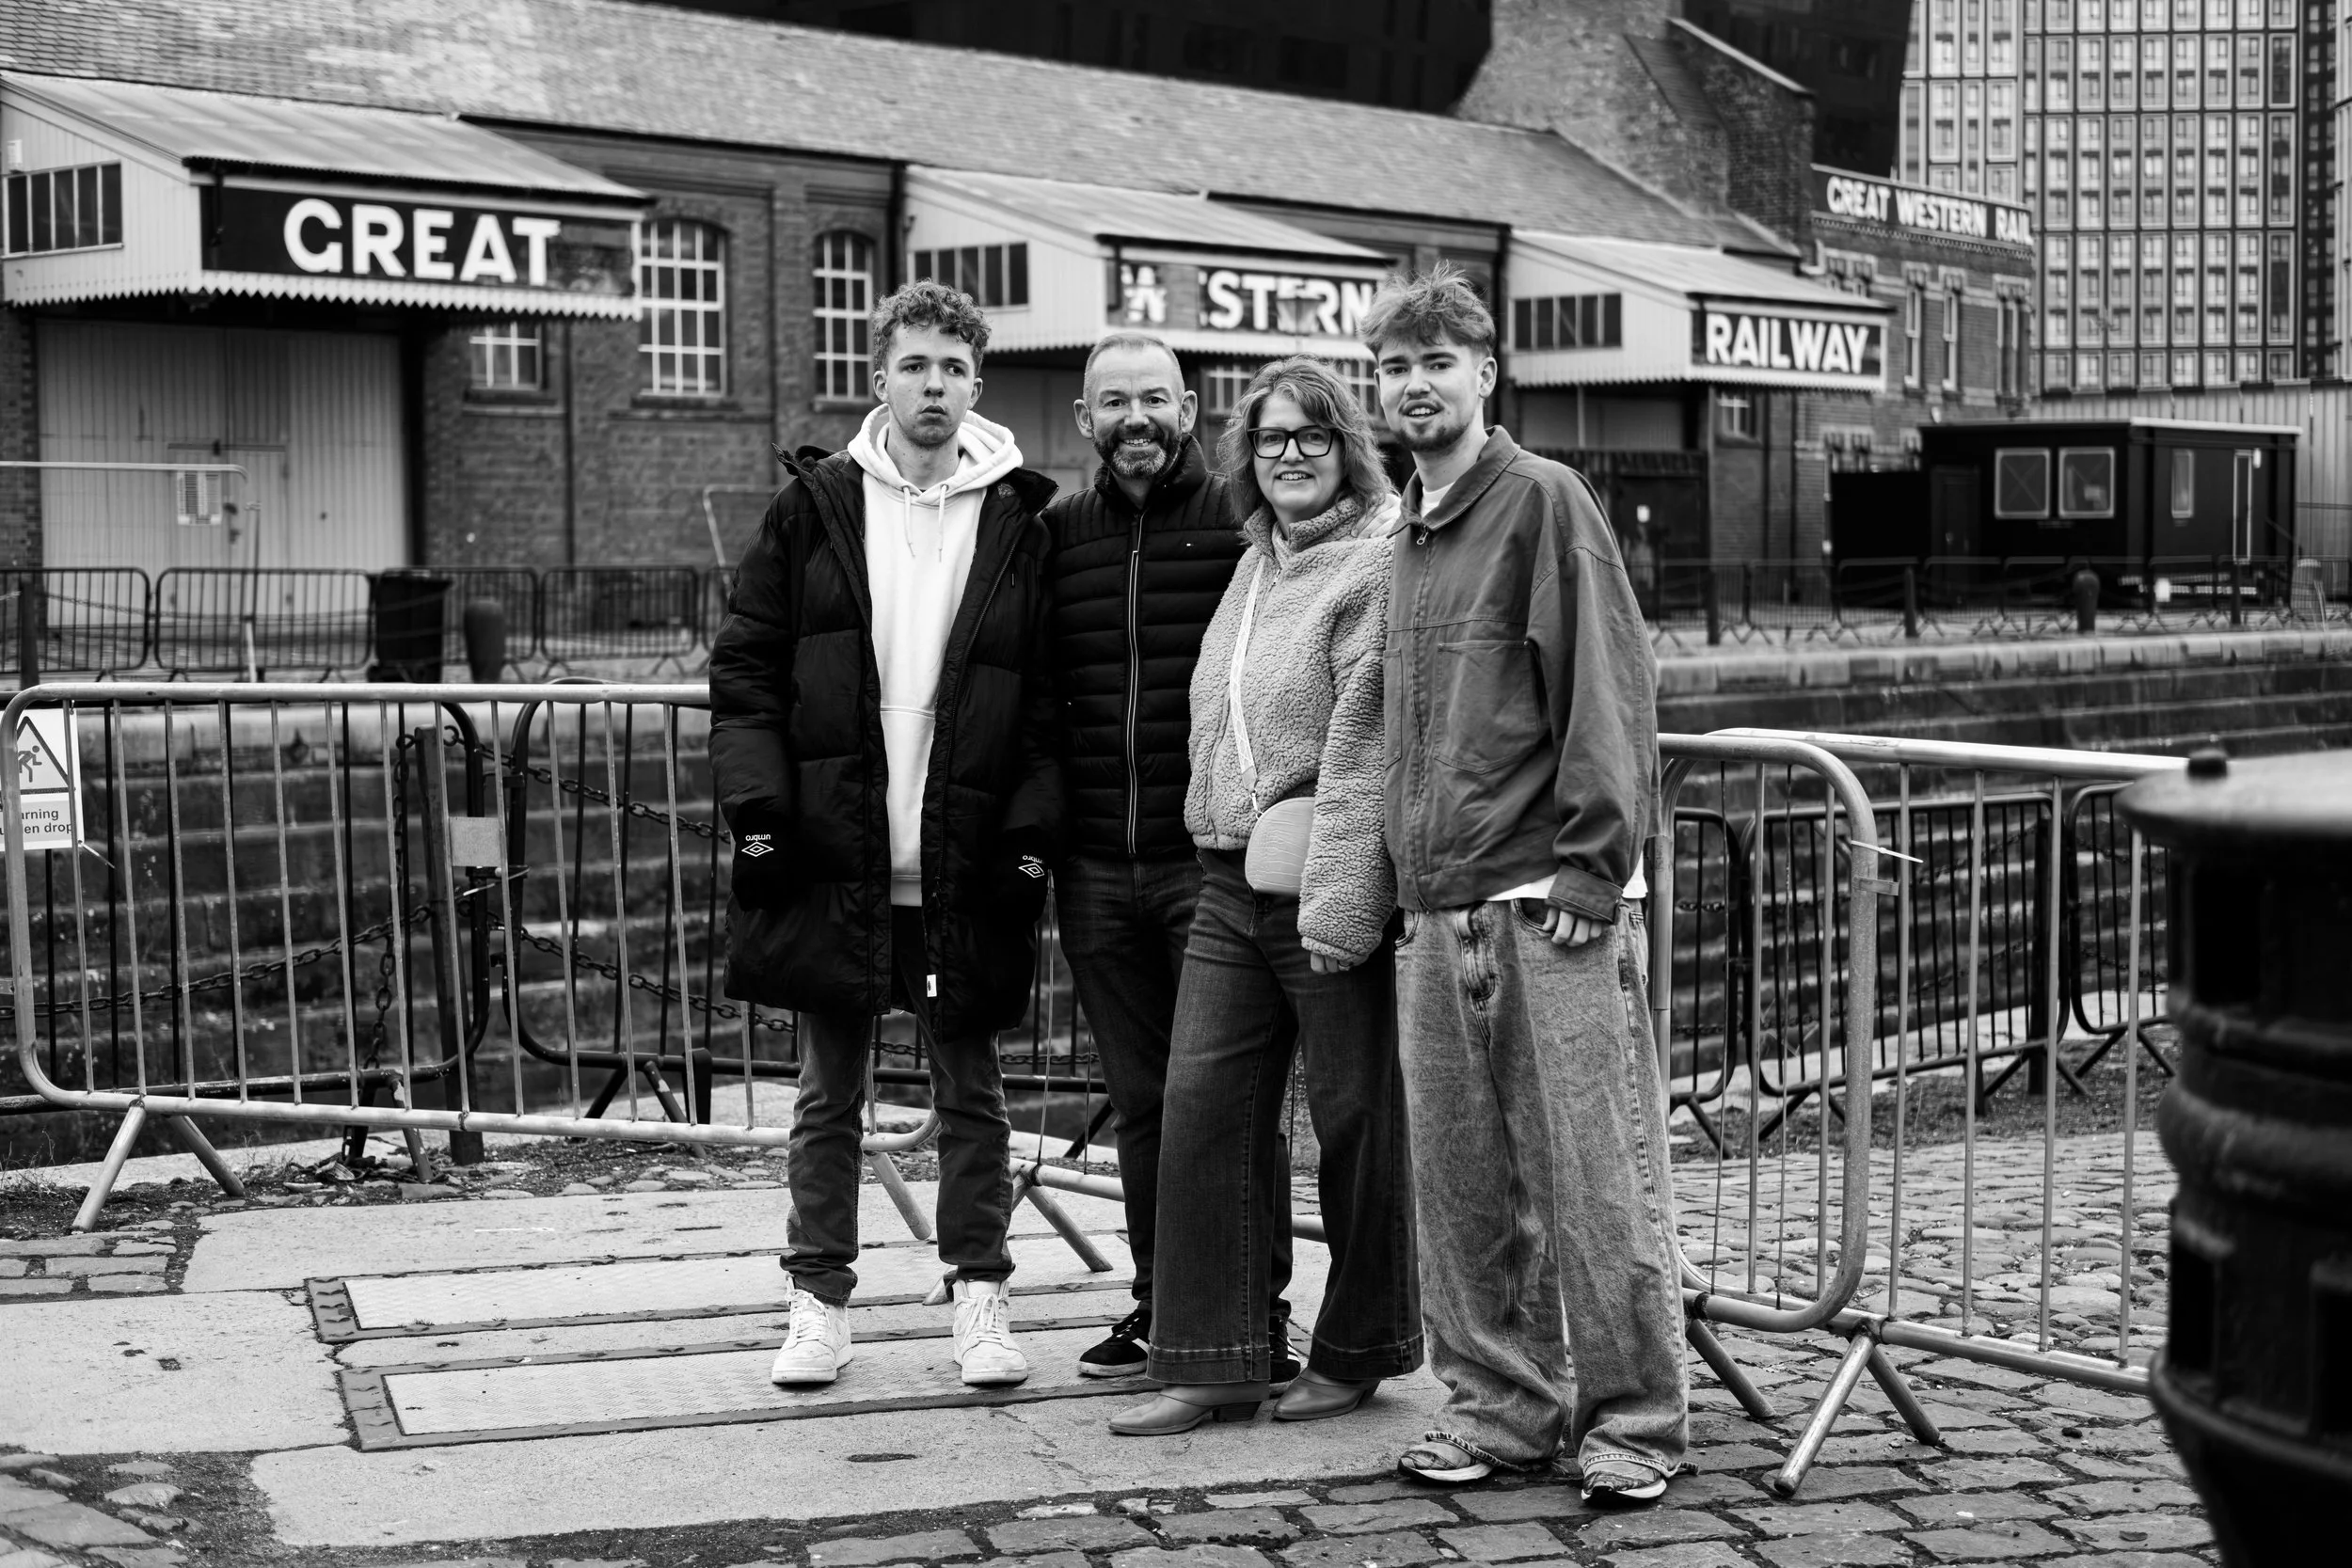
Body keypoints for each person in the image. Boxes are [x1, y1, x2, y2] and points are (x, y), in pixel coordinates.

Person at [1366, 265, 1685, 1504]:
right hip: (1438, 904)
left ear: (1486, 375)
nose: (1415, 385)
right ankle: (1501, 1407)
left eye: (1439, 363)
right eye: (1396, 366)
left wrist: (1594, 865)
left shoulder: (1543, 499)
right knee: (1461, 1188)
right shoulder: (1407, 528)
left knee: (1597, 1183)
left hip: (1543, 902)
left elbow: (1609, 683)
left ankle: (1637, 1422)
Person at [708, 279, 1060, 1391]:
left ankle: (979, 1299)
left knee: (973, 1093)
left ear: (977, 384)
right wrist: (760, 819)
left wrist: (1025, 840)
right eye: (914, 366)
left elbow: (1049, 702)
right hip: (837, 851)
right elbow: (747, 671)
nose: (934, 387)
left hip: (958, 861)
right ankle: (817, 1304)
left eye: (954, 369)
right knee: (828, 1095)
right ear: (878, 377)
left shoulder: (1021, 517)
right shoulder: (812, 506)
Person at [1108, 355, 1422, 1436]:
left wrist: (1341, 905)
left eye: (1312, 435)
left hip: (1323, 883)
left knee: (1355, 1117)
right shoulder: (1255, 564)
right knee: (1204, 1109)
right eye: (1272, 438)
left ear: (1348, 447)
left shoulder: (1376, 563)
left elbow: (1363, 741)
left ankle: (1361, 1346)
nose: (1289, 454)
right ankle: (1214, 1357)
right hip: (1227, 880)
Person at [1041, 331, 1259, 1380]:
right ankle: (1162, 1303)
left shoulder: (1239, 521)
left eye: (1155, 400)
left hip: (1207, 863)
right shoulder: (1055, 534)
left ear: (1190, 407)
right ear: (1085, 420)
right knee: (1141, 1103)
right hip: (1093, 867)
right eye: (1114, 402)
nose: (1137, 419)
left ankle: (1254, 1308)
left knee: (1225, 1099)